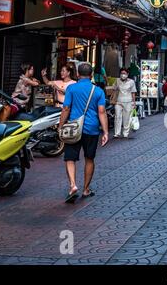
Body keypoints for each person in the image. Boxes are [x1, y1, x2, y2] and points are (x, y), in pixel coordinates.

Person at [58, 63, 108, 203]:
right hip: (91, 129)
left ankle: (73, 185)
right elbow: (102, 112)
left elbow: (66, 108)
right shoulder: (98, 91)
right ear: (91, 75)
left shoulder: (72, 88)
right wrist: (105, 132)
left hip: (74, 128)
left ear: (78, 75)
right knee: (89, 158)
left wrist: (61, 126)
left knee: (70, 158)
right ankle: (86, 189)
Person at [113, 68, 137, 139]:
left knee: (126, 118)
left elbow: (133, 93)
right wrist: (113, 98)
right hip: (118, 101)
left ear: (127, 74)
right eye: (122, 73)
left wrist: (134, 102)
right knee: (117, 116)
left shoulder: (131, 82)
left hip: (128, 102)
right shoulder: (117, 81)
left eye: (125, 73)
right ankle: (117, 133)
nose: (123, 75)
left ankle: (125, 133)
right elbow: (114, 90)